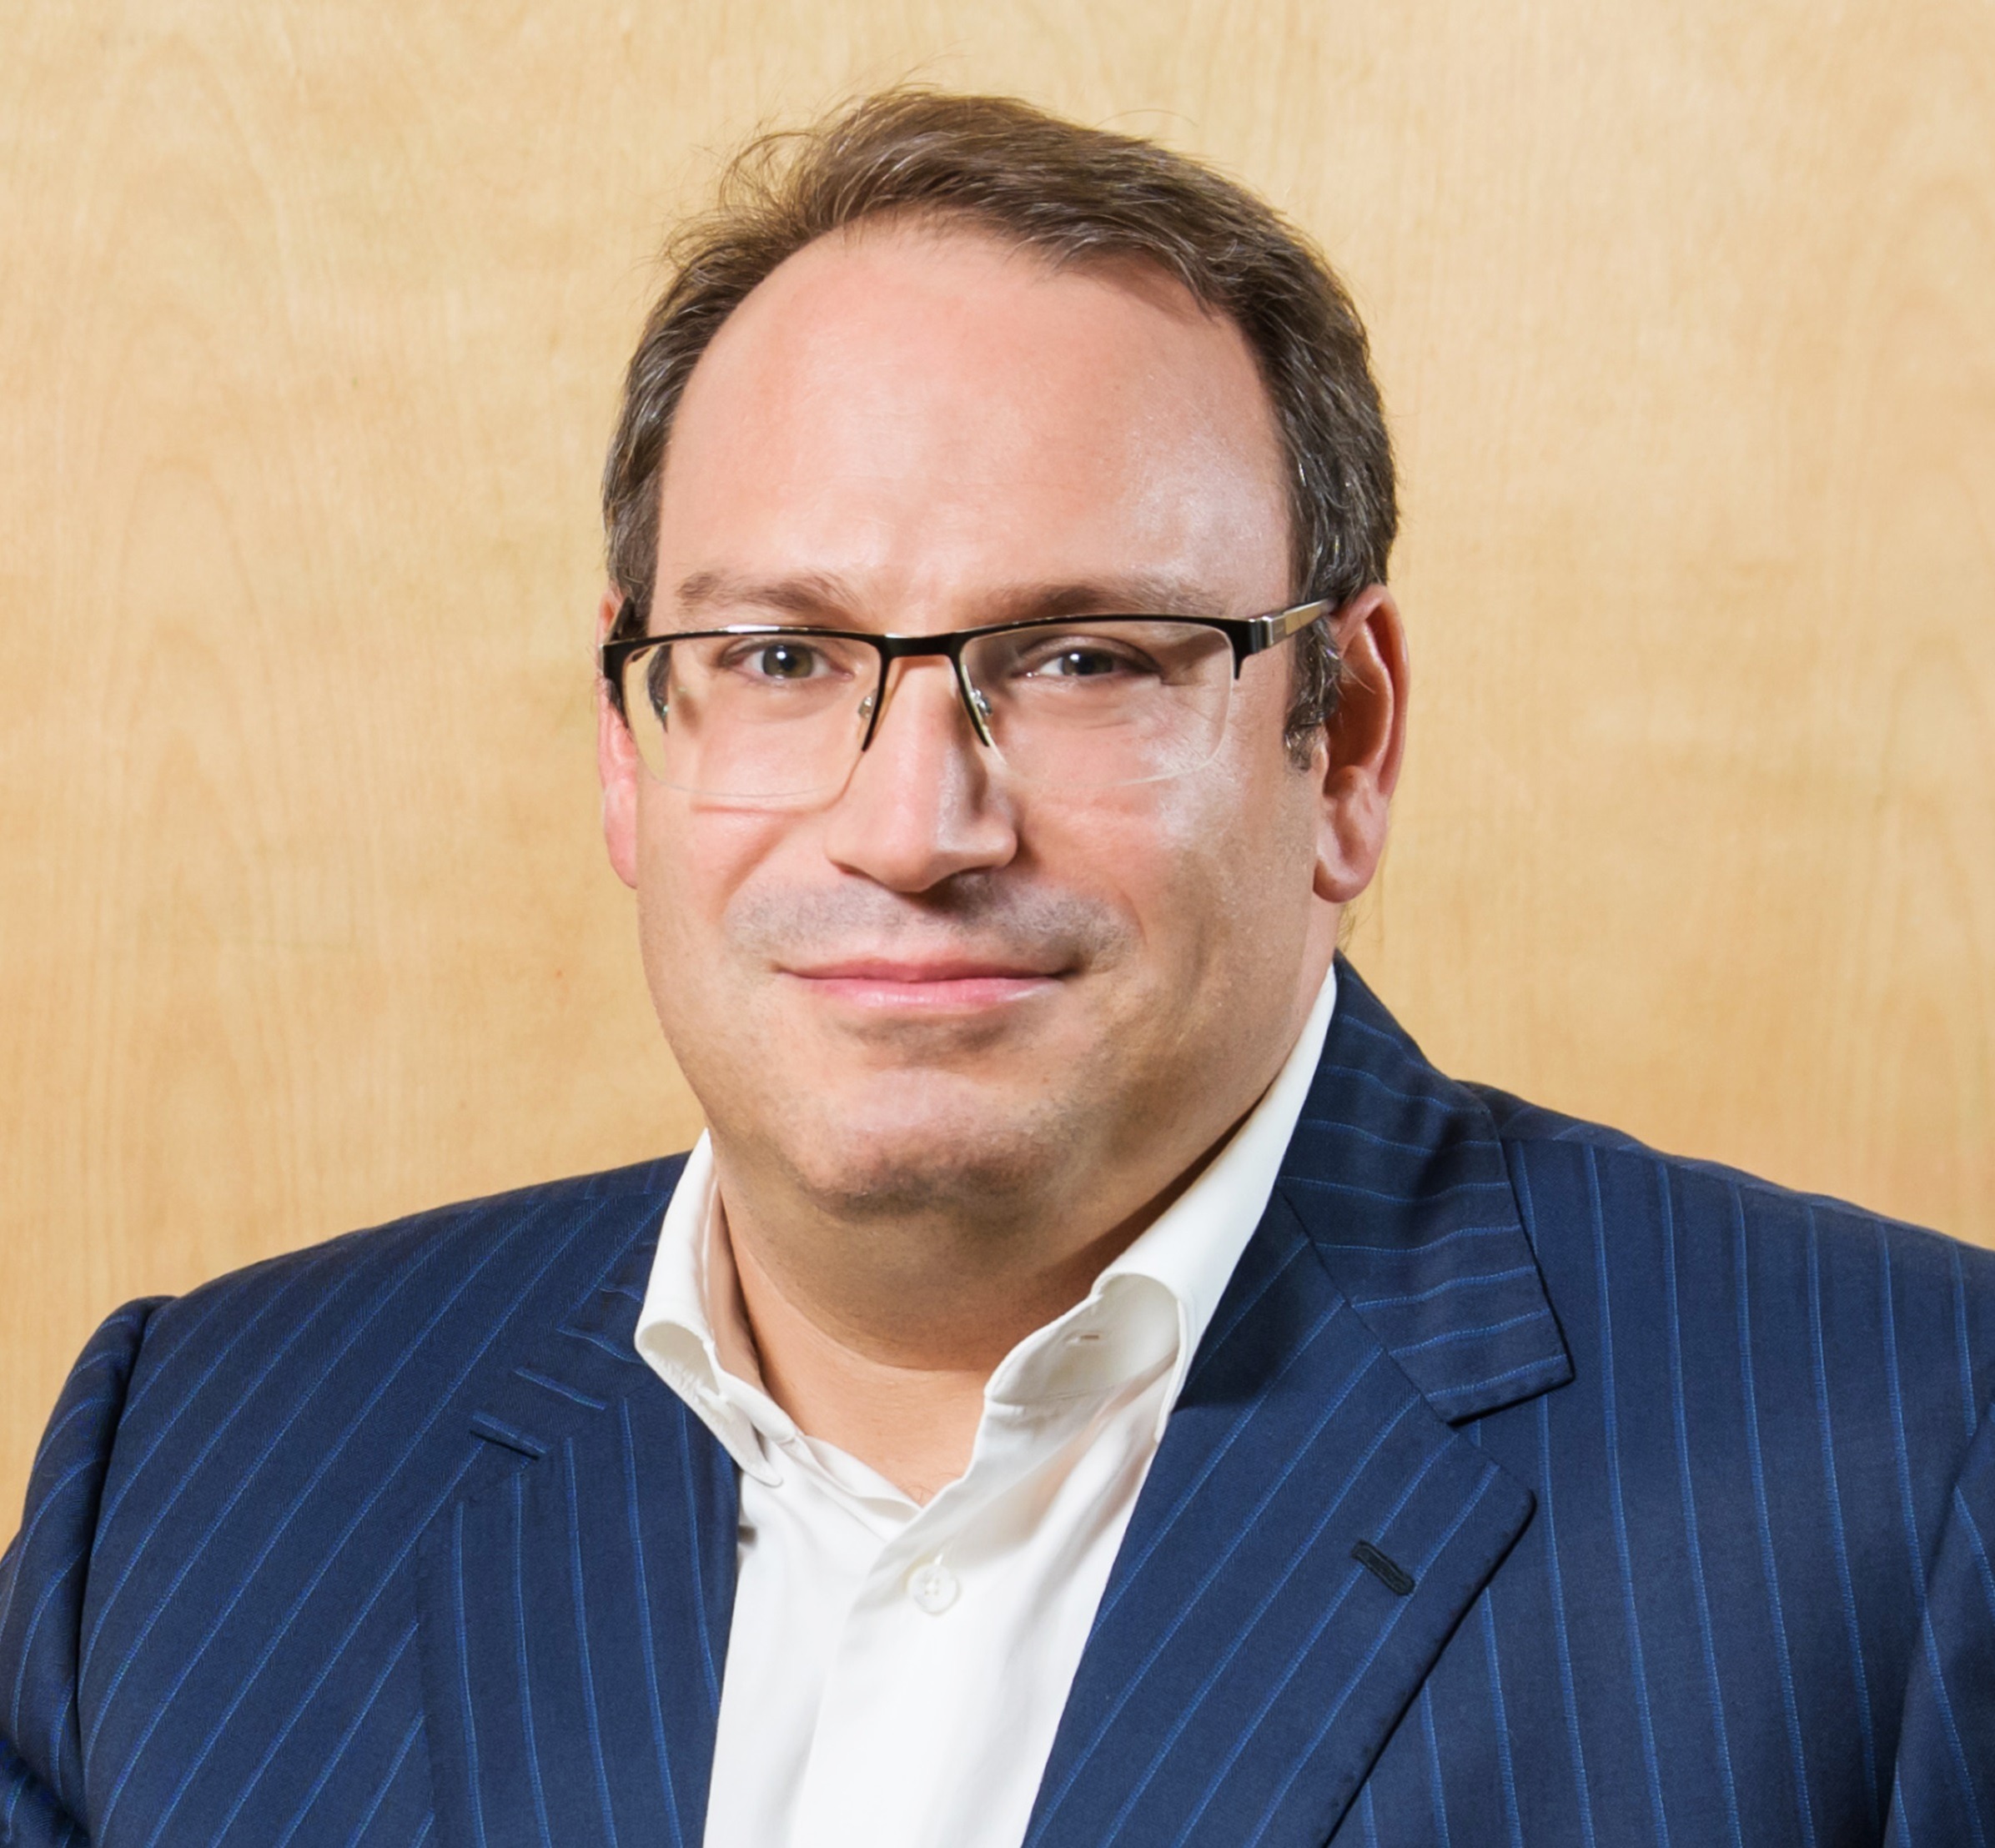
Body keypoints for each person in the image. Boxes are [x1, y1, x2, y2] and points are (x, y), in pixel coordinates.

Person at [2, 88, 1990, 1848]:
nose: (911, 825)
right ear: (628, 742)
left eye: (1084, 658)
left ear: (1345, 742)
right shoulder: (190, 1480)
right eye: (780, 657)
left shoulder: (1909, 1476)